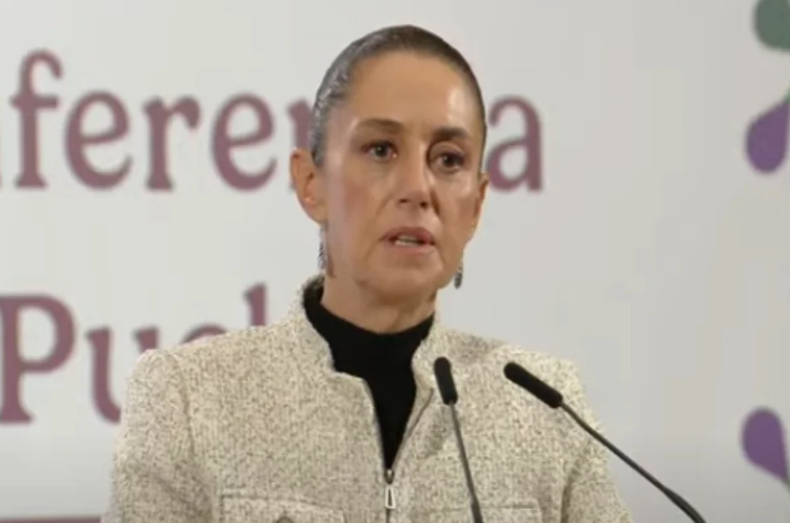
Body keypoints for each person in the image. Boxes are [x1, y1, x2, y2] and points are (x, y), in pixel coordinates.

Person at [103, 24, 633, 523]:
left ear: (476, 204)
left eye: (449, 160)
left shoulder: (546, 407)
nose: (418, 188)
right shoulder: (185, 399)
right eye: (381, 150)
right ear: (311, 184)